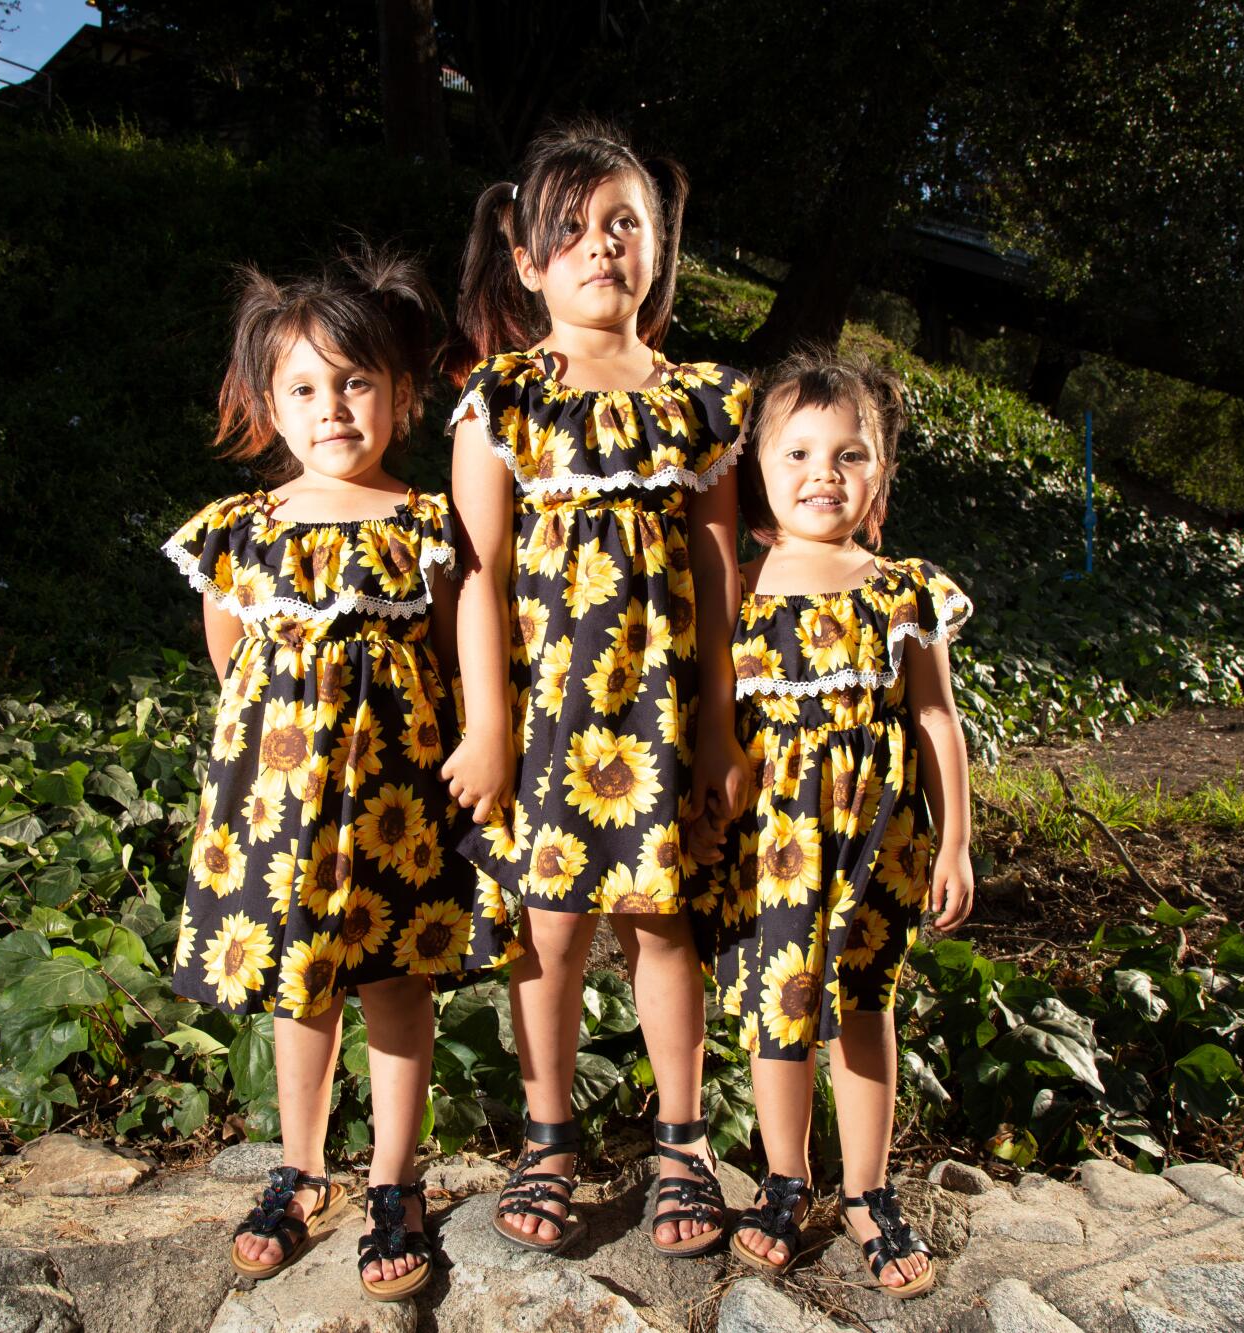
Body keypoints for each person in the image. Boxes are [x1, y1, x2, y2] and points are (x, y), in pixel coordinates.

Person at [162, 247, 517, 1301]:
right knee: (298, 987)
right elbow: (232, 656)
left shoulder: (424, 528)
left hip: (400, 807)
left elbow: (464, 646)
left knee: (395, 984)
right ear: (268, 404)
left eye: (356, 382)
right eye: (305, 388)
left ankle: (396, 1180)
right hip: (280, 812)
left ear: (401, 394)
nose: (332, 408)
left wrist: (482, 735)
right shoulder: (243, 530)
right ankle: (300, 1166)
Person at [444, 119, 753, 1258]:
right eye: (568, 229)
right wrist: (484, 724)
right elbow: (474, 574)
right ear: (525, 261)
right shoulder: (502, 400)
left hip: (666, 715)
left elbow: (720, 572)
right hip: (544, 717)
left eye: (625, 223)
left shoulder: (702, 402)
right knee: (552, 930)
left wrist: (718, 724)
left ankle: (681, 1140)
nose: (600, 246)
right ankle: (549, 1136)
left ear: (661, 246)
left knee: (661, 926)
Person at [696, 350, 974, 1299]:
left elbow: (936, 717)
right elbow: (715, 715)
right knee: (781, 1009)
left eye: (850, 455)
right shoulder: (740, 584)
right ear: (758, 472)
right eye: (800, 453)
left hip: (877, 840)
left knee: (865, 1005)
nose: (825, 474)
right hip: (774, 842)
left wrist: (958, 839)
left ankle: (866, 1189)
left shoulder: (902, 590)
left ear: (880, 475)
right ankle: (784, 1181)